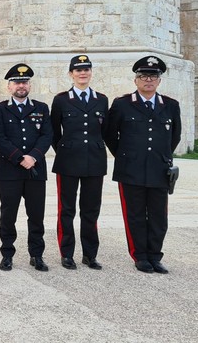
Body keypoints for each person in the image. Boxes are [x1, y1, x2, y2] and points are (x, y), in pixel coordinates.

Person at [105, 55, 181, 274]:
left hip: (159, 169)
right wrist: (125, 156)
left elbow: (174, 137)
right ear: (135, 80)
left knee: (159, 216)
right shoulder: (122, 104)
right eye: (143, 76)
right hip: (131, 169)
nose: (148, 80)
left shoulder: (170, 106)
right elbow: (110, 134)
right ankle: (140, 256)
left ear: (159, 81)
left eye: (153, 76)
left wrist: (162, 156)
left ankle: (155, 256)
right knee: (135, 214)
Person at [0, 63, 53, 272]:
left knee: (36, 215)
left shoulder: (41, 108)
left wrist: (33, 157)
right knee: (8, 214)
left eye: (24, 82)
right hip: (10, 170)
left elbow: (47, 135)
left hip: (35, 169)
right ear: (9, 86)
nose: (21, 85)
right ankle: (7, 254)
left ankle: (37, 255)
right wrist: (20, 158)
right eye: (17, 82)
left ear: (29, 85)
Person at [50, 55, 108, 270]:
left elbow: (106, 130)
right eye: (78, 70)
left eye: (86, 69)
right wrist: (66, 151)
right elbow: (55, 132)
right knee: (67, 209)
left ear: (91, 72)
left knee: (91, 209)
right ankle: (67, 253)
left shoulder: (101, 99)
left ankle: (90, 254)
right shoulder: (61, 100)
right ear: (71, 74)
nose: (82, 73)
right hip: (68, 162)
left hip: (95, 161)